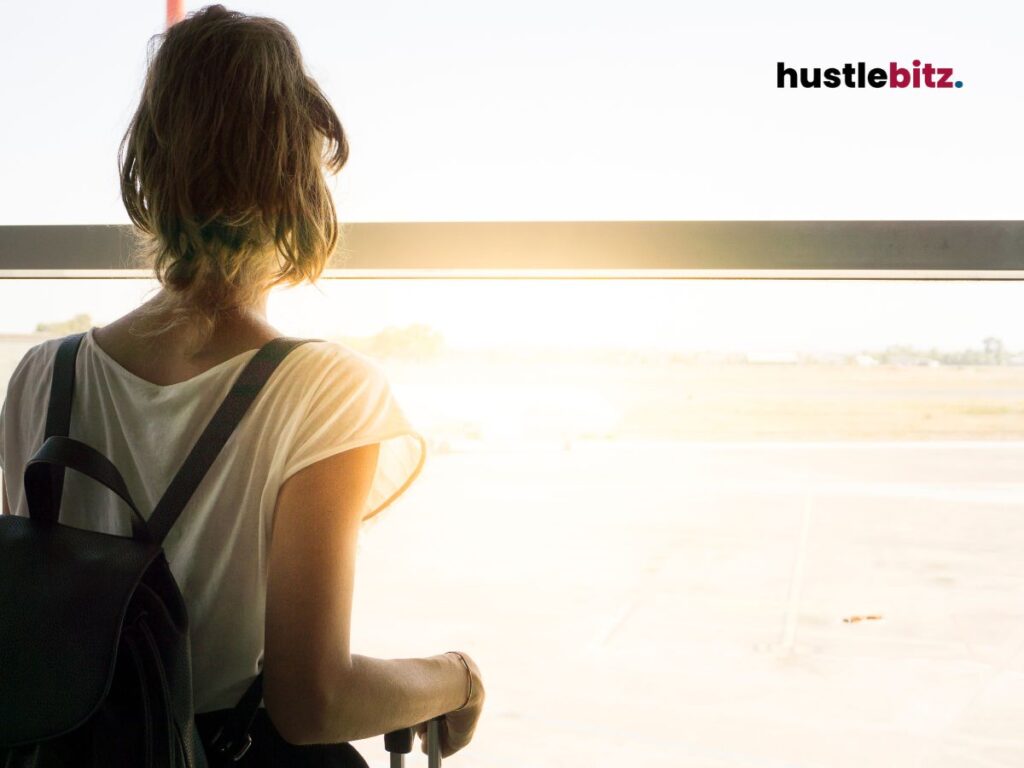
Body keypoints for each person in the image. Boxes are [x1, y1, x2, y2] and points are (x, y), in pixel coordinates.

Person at [0, 4, 484, 763]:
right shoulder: (326, 390)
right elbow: (311, 698)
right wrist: (456, 679)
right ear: (299, 182)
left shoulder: (38, 376)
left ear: (150, 171)